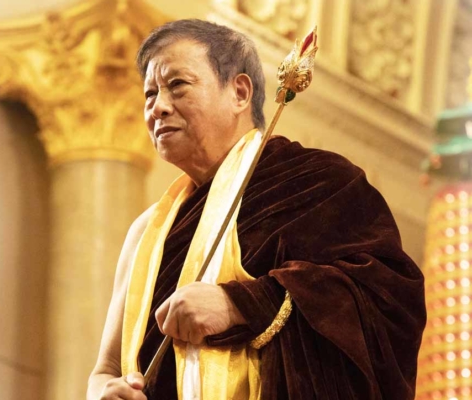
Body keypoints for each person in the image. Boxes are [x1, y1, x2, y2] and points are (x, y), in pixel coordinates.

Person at [87, 19, 426, 400]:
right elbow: (106, 369)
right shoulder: (146, 232)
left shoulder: (314, 182)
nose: (158, 107)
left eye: (177, 85)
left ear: (239, 92)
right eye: (150, 94)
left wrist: (241, 305)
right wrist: (105, 393)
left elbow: (388, 302)